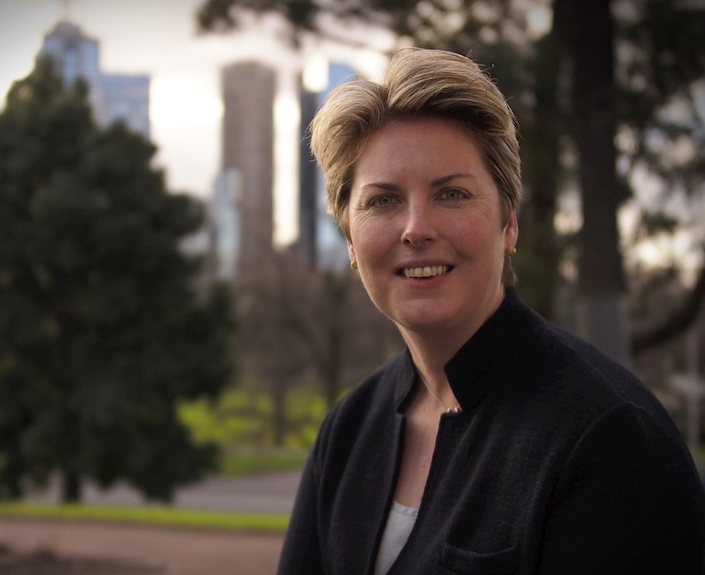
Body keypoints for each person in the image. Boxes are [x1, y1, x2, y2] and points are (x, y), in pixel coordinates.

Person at [277, 47, 705, 575]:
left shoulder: (609, 440)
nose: (416, 228)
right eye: (382, 200)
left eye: (452, 194)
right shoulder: (348, 430)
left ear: (509, 224)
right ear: (349, 238)